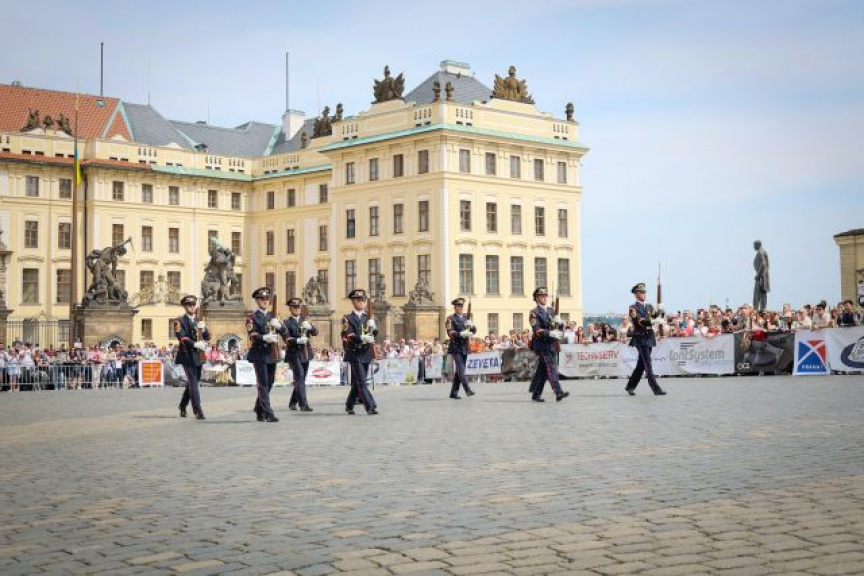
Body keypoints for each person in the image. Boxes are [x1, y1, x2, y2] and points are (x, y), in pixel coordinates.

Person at [246, 287, 287, 422]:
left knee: (270, 382)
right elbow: (252, 335)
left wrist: (280, 326)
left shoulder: (273, 316)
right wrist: (264, 337)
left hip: (271, 353)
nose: (265, 301)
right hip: (259, 353)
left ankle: (259, 408)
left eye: (267, 299)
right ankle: (268, 413)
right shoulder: (252, 317)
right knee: (263, 383)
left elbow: (286, 334)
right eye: (262, 299)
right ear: (257, 301)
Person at [528, 287, 569, 402]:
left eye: (546, 296)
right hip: (541, 344)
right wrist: (550, 332)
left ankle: (536, 393)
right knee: (551, 367)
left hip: (552, 344)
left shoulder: (551, 311)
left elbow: (559, 327)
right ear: (536, 298)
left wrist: (560, 323)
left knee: (543, 370)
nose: (544, 298)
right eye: (542, 296)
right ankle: (558, 392)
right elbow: (537, 330)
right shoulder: (534, 313)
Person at [625, 283, 667, 396]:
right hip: (640, 338)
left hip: (649, 337)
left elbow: (658, 315)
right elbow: (640, 321)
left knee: (641, 365)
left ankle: (630, 386)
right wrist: (655, 321)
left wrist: (661, 309)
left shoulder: (649, 306)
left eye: (645, 292)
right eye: (642, 292)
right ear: (636, 294)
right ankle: (656, 389)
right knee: (648, 364)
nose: (644, 294)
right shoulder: (633, 308)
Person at [341, 289, 378, 415]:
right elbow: (348, 335)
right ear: (353, 302)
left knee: (358, 382)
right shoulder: (347, 318)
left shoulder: (369, 317)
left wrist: (374, 327)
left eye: (363, 300)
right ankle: (370, 406)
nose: (361, 302)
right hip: (354, 352)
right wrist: (362, 337)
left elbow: (374, 333)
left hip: (366, 352)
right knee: (362, 381)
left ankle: (349, 404)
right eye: (358, 300)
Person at [173, 295, 210, 420]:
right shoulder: (179, 321)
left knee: (193, 382)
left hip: (199, 355)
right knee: (193, 381)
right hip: (187, 354)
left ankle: (182, 405)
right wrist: (194, 344)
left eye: (194, 305)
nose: (192, 307)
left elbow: (208, 336)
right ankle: (197, 410)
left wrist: (204, 329)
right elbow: (182, 337)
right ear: (185, 306)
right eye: (189, 305)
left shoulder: (199, 320)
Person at [284, 297, 318, 412]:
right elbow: (287, 338)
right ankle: (303, 404)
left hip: (305, 352)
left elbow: (316, 332)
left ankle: (293, 402)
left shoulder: (305, 319)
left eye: (298, 307)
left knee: (301, 378)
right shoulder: (287, 322)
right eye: (294, 307)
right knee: (299, 376)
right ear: (290, 308)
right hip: (294, 352)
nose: (296, 309)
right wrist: (297, 340)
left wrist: (310, 326)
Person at [445, 298, 476, 399]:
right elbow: (450, 332)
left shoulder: (466, 318)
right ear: (454, 307)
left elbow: (473, 331)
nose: (460, 308)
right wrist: (461, 334)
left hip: (465, 347)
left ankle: (453, 393)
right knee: (461, 369)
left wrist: (472, 326)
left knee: (459, 371)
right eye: (458, 306)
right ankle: (467, 389)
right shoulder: (450, 319)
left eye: (461, 306)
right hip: (456, 347)